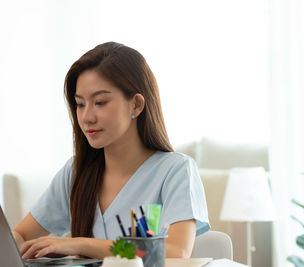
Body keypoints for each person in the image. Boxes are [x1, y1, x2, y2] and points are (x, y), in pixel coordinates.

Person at [12, 42, 209, 260]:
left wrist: (78, 244)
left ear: (136, 105)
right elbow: (21, 234)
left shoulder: (175, 171)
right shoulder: (76, 172)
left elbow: (176, 252)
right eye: (80, 104)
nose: (87, 117)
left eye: (100, 102)